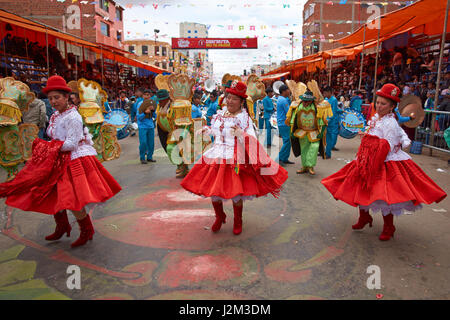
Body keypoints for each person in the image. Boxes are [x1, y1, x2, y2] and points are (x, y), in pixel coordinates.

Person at [0, 75, 122, 248]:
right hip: (56, 160)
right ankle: (62, 225)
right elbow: (55, 136)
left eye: (57, 97)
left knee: (72, 200)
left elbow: (72, 144)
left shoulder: (73, 117)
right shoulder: (56, 115)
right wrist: (49, 147)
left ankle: (86, 230)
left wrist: (46, 147)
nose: (53, 101)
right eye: (50, 98)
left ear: (66, 97)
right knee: (53, 194)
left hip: (72, 160)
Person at [321, 84, 447, 241]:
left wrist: (369, 145)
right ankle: (364, 217)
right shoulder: (377, 119)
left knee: (384, 196)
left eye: (384, 104)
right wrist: (366, 137)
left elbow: (386, 145)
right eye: (378, 103)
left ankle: (389, 226)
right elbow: (374, 137)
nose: (379, 106)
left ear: (392, 106)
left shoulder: (390, 123)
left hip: (384, 161)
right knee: (361, 188)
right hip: (369, 158)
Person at [180, 81, 288, 235]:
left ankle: (238, 220)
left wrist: (241, 134)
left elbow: (251, 138)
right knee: (214, 192)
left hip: (235, 158)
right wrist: (207, 130)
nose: (229, 101)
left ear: (241, 102)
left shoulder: (244, 119)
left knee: (236, 194)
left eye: (234, 99)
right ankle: (220, 216)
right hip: (216, 156)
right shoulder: (219, 114)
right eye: (228, 97)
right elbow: (217, 132)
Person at [286, 90, 331, 175]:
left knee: (314, 147)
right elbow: (293, 119)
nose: (305, 102)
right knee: (304, 150)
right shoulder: (298, 107)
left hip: (314, 132)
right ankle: (304, 167)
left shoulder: (317, 108)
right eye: (304, 100)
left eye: (307, 101)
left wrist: (322, 132)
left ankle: (310, 166)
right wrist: (291, 131)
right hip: (301, 132)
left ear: (311, 101)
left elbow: (322, 119)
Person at [323, 86, 342, 158]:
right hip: (326, 120)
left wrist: (328, 120)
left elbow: (333, 111)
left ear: (329, 92)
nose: (324, 94)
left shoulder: (334, 100)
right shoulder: (326, 99)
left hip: (331, 122)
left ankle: (328, 153)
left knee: (330, 137)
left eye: (325, 93)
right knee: (325, 137)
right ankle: (324, 151)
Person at [276, 84, 294, 165]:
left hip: (283, 123)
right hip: (284, 123)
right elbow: (288, 112)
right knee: (287, 141)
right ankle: (280, 158)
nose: (289, 91)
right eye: (288, 90)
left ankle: (285, 158)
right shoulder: (283, 100)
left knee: (287, 142)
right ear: (284, 91)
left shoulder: (282, 99)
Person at [137, 98, 157, 164]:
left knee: (151, 143)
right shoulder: (140, 104)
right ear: (143, 95)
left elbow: (155, 116)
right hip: (142, 127)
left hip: (150, 126)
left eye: (148, 94)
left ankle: (149, 157)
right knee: (143, 143)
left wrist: (153, 110)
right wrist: (145, 113)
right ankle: (142, 158)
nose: (147, 96)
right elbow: (139, 118)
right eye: (145, 94)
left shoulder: (152, 104)